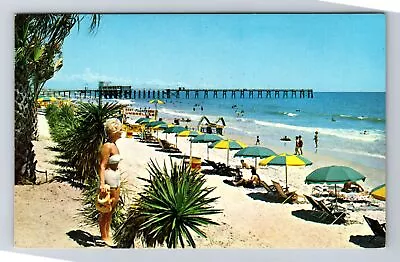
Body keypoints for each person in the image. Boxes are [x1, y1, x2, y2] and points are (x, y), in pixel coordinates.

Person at [98, 118, 123, 247]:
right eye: (120, 129)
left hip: (116, 179)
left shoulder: (114, 145)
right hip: (109, 179)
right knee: (106, 208)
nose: (122, 131)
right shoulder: (107, 146)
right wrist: (102, 184)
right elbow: (102, 166)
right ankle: (104, 236)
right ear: (114, 131)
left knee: (112, 208)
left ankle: (107, 233)